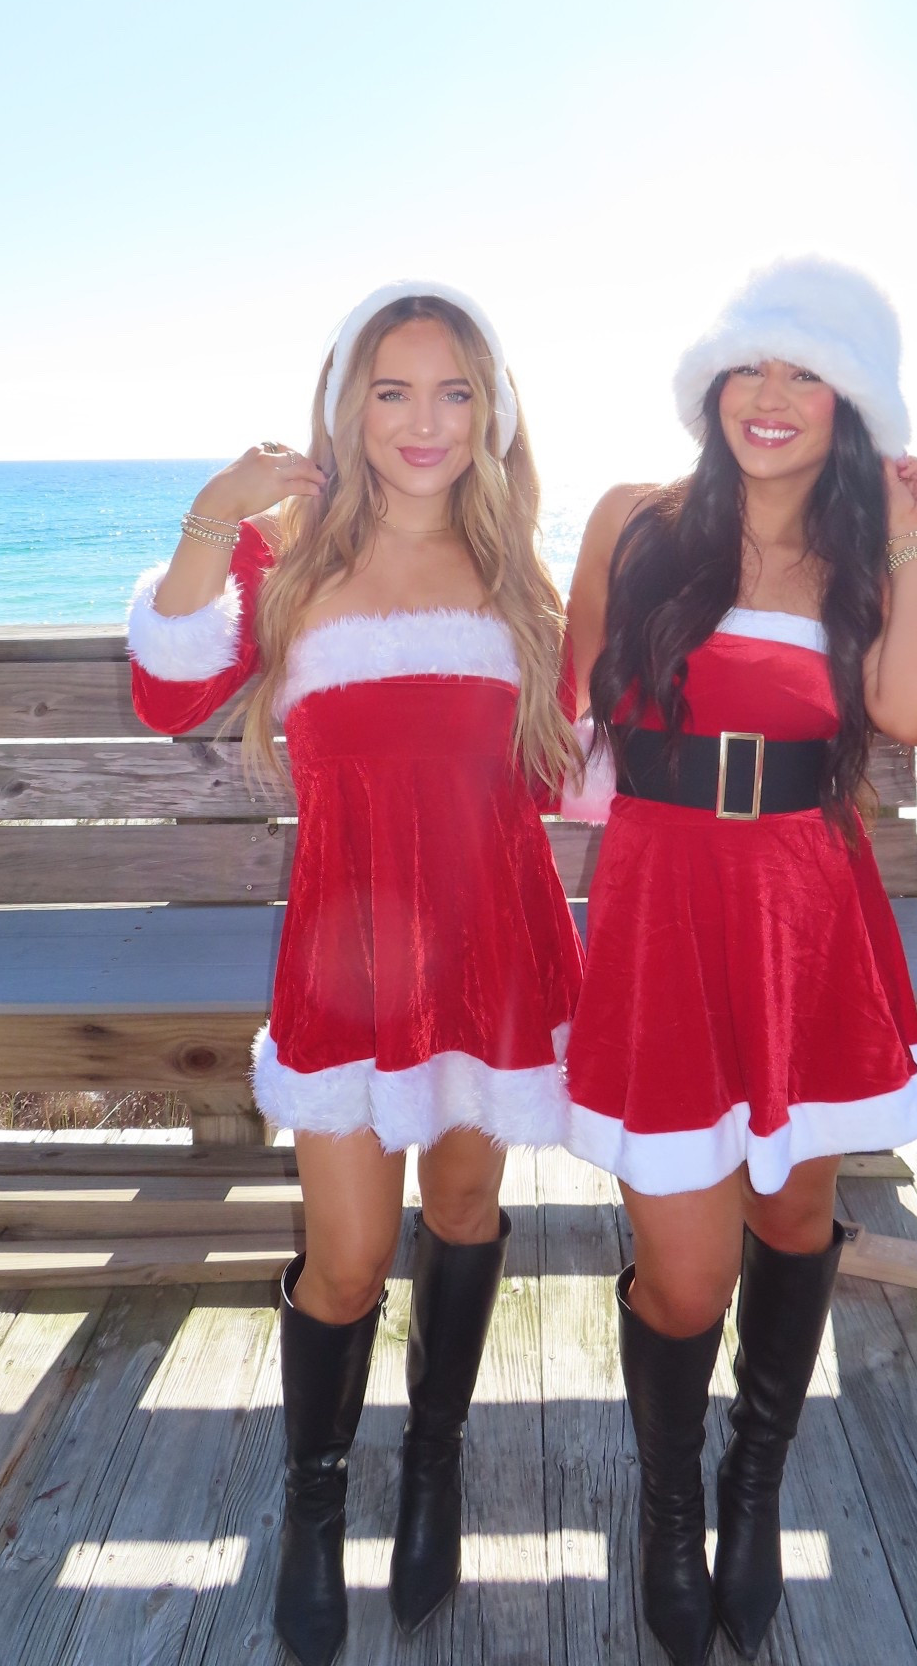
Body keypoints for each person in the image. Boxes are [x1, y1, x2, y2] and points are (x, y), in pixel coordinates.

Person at [125, 282, 582, 1666]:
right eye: (393, 391)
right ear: (352, 405)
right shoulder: (289, 561)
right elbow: (165, 690)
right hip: (345, 968)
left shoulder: (519, 577)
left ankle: (430, 1466)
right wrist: (216, 513)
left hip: (492, 962)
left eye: (454, 393)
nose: (425, 422)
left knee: (461, 1211)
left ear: (489, 410)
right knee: (349, 1256)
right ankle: (315, 1504)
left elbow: (571, 767)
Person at [563, 257, 917, 1665]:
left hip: (807, 922)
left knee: (794, 1225)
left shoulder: (863, 561)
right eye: (753, 367)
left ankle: (753, 1485)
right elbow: (570, 730)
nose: (773, 397)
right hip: (666, 919)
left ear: (851, 405)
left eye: (808, 373)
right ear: (713, 385)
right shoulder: (636, 525)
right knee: (683, 1276)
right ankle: (670, 1511)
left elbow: (916, 710)